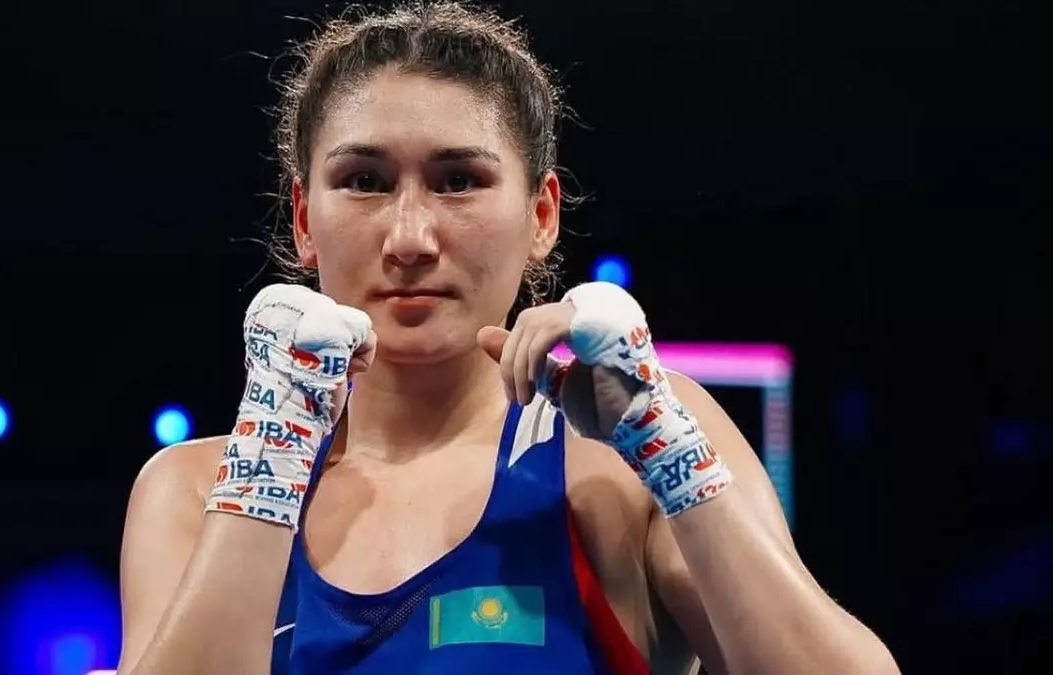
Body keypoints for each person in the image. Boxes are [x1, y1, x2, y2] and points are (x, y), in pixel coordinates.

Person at [115, 2, 899, 674]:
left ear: (542, 216)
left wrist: (670, 453)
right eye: (365, 181)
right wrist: (268, 467)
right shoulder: (192, 491)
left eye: (459, 180)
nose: (410, 238)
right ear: (303, 219)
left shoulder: (614, 464)